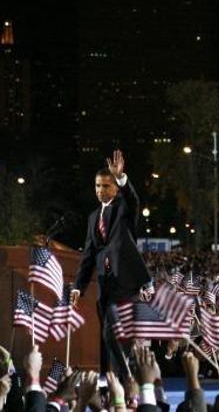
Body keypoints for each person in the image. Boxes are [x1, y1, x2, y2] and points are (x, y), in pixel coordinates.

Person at [70, 150, 152, 378]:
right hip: (105, 290)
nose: (100, 190)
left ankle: (126, 385)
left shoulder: (124, 211)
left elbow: (134, 200)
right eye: (97, 186)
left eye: (106, 185)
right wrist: (78, 286)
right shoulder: (93, 217)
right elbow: (88, 256)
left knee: (113, 335)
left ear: (115, 188)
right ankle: (122, 387)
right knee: (113, 342)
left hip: (126, 287)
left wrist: (122, 178)